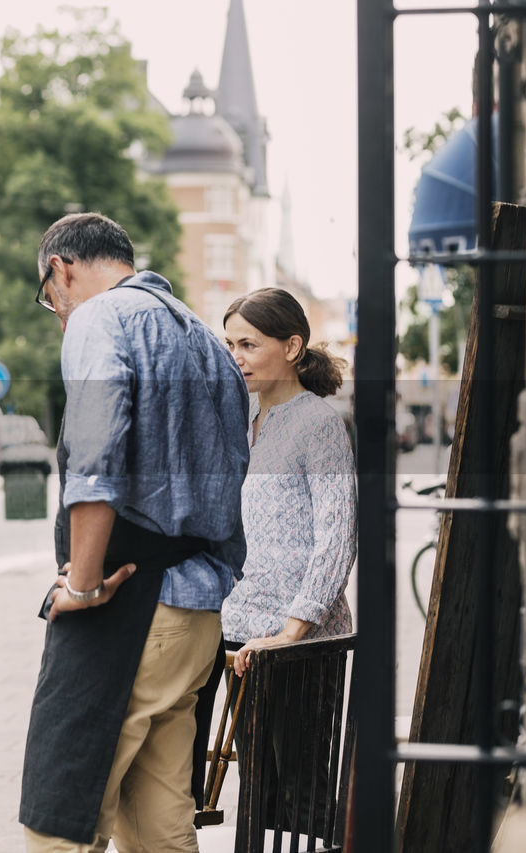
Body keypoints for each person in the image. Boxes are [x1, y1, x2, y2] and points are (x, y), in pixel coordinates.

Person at [20, 212, 250, 852]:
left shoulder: (102, 318)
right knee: (161, 829)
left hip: (126, 610)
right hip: (196, 613)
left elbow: (95, 463)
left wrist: (84, 585)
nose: (58, 313)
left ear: (60, 269)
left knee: (63, 826)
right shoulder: (205, 337)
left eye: (50, 299)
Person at [216, 286, 357, 834]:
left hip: (302, 643)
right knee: (257, 793)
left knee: (304, 795)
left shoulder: (317, 423)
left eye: (248, 344)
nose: (237, 358)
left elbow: (338, 533)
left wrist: (294, 629)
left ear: (292, 346)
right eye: (230, 346)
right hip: (246, 637)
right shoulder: (242, 420)